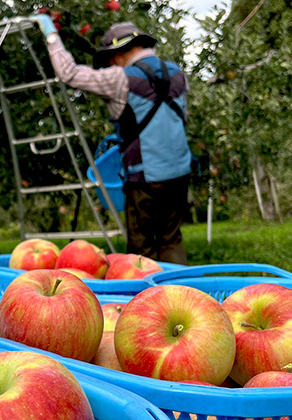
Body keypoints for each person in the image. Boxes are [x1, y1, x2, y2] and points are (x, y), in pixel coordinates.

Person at [34, 16, 191, 264]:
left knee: (142, 251)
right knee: (171, 239)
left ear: (119, 53)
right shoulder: (177, 74)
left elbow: (69, 73)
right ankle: (182, 295)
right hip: (180, 173)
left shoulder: (120, 77)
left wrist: (50, 34)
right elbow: (177, 118)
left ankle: (148, 300)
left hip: (145, 177)